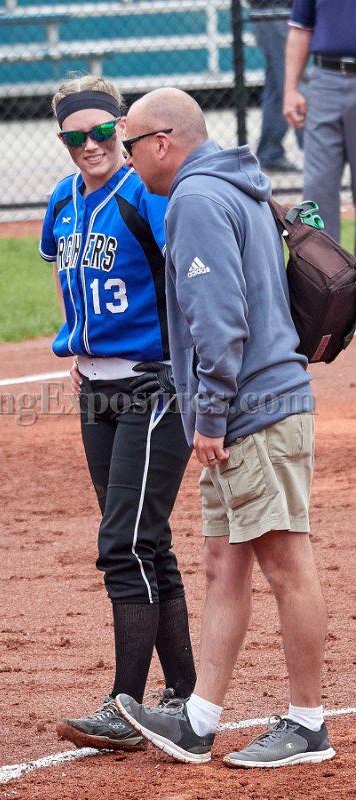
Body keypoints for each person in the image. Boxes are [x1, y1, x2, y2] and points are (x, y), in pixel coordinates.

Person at [112, 86, 335, 769]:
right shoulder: (233, 185)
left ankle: (307, 724)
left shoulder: (197, 198)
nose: (125, 158)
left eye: (129, 144)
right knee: (223, 562)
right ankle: (198, 718)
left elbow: (219, 323)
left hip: (251, 410)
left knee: (285, 563)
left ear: (162, 142)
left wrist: (208, 416)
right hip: (252, 406)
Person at [39, 75, 196, 752]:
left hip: (153, 387)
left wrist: (184, 362)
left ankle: (124, 707)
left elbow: (190, 277)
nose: (90, 145)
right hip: (97, 392)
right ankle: (182, 691)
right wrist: (79, 338)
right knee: (145, 539)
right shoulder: (63, 199)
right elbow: (62, 271)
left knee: (123, 543)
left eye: (103, 131)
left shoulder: (146, 194)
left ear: (123, 130)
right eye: (74, 136)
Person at [284, 0, 356, 252]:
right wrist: (290, 90)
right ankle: (326, 274)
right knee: (318, 189)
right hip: (325, 80)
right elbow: (300, 29)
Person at [248, 0, 303, 171]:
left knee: (277, 87)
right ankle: (317, 150)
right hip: (275, 11)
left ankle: (270, 152)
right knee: (295, 82)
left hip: (276, 12)